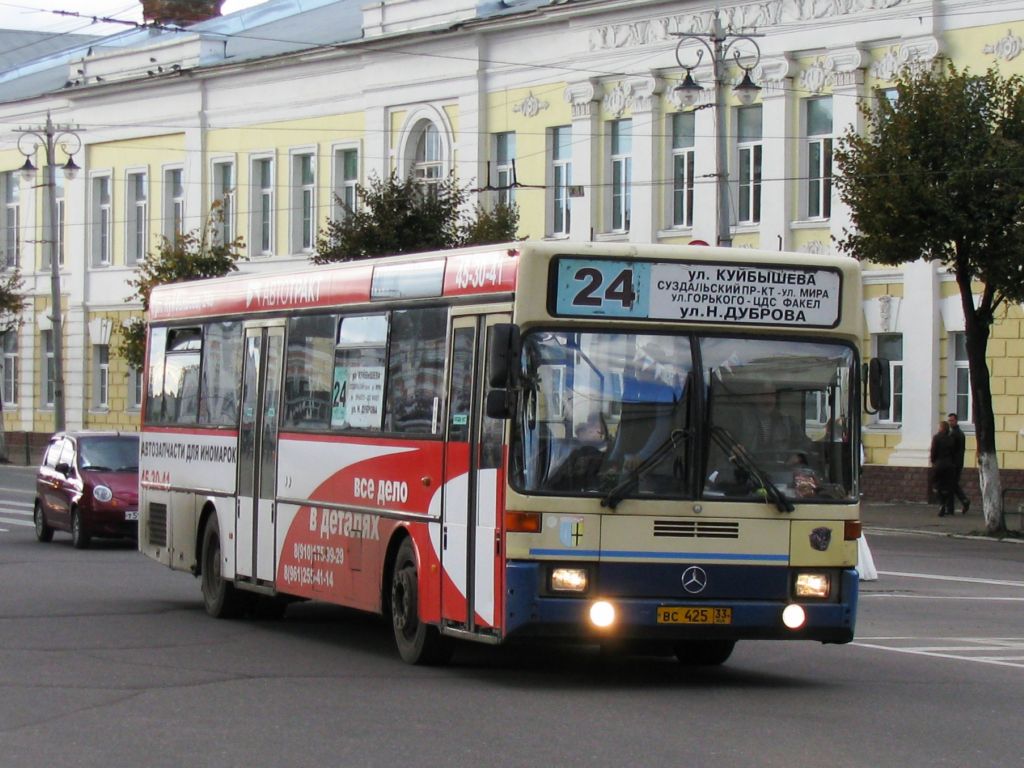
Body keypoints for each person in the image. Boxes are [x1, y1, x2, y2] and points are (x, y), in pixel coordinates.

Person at [930, 420, 957, 517]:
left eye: (939, 427)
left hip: (939, 465)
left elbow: (933, 451)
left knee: (936, 486)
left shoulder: (936, 438)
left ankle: (941, 504)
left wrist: (933, 461)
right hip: (949, 465)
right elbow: (954, 453)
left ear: (941, 428)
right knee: (947, 487)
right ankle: (945, 504)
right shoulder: (951, 439)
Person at [947, 413, 970, 514]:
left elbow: (951, 449)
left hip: (953, 463)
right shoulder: (960, 433)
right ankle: (961, 502)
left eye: (951, 420)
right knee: (953, 484)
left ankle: (962, 501)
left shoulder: (954, 434)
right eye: (949, 421)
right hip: (958, 462)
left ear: (956, 421)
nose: (950, 422)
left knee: (951, 485)